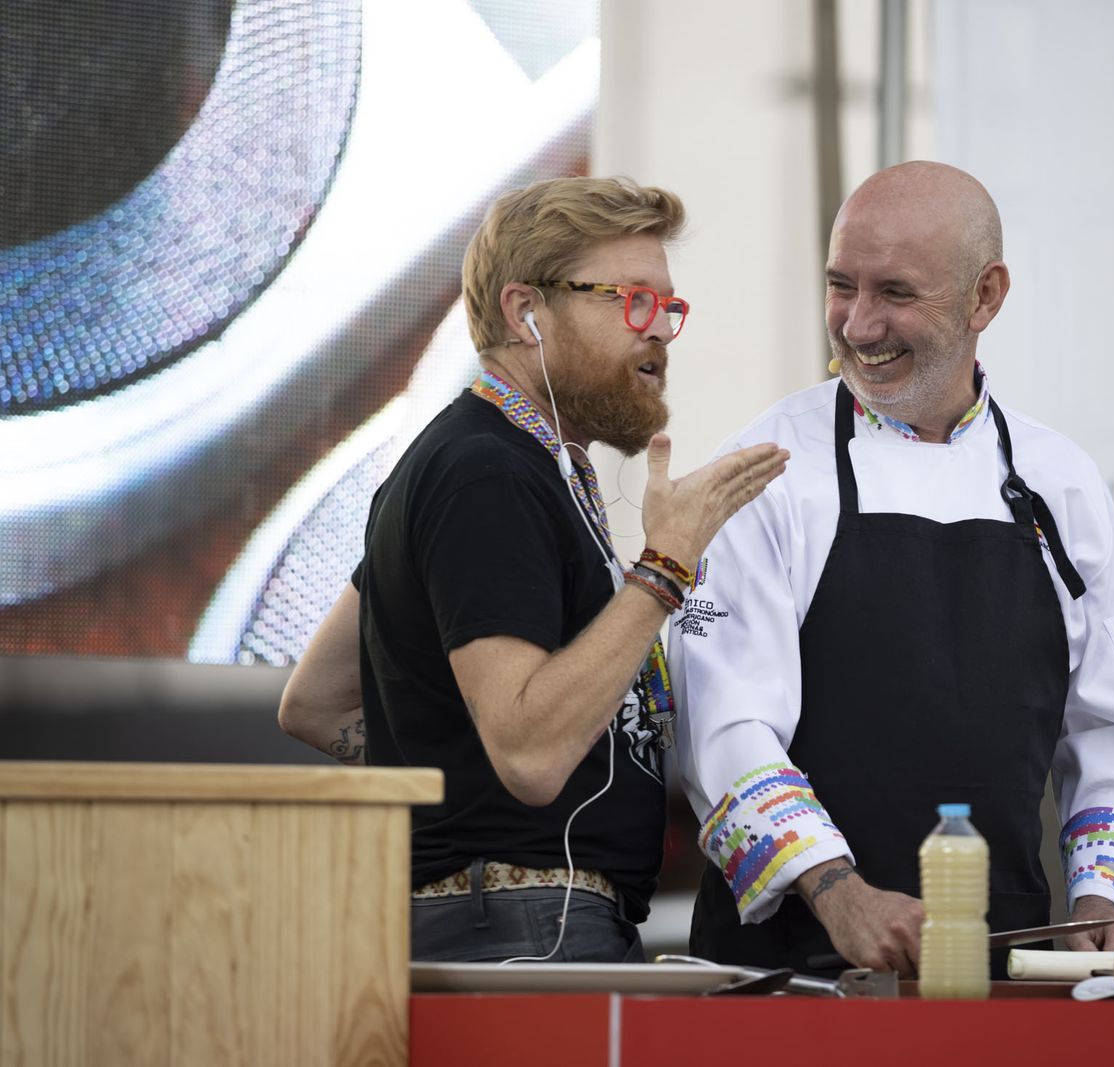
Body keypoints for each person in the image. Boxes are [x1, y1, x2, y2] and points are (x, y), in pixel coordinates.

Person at [667, 161, 1114, 978]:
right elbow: (726, 727)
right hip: (793, 970)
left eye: (896, 293)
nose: (859, 325)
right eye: (842, 286)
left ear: (986, 296)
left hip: (1000, 963)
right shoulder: (765, 469)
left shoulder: (1060, 480)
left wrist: (1109, 892)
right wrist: (839, 888)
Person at [278, 176, 788, 964]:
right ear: (527, 313)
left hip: (505, 915)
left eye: (667, 307)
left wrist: (456, 778)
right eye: (632, 302)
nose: (660, 333)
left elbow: (316, 701)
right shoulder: (486, 471)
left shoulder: (486, 462)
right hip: (524, 921)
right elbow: (530, 754)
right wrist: (664, 568)